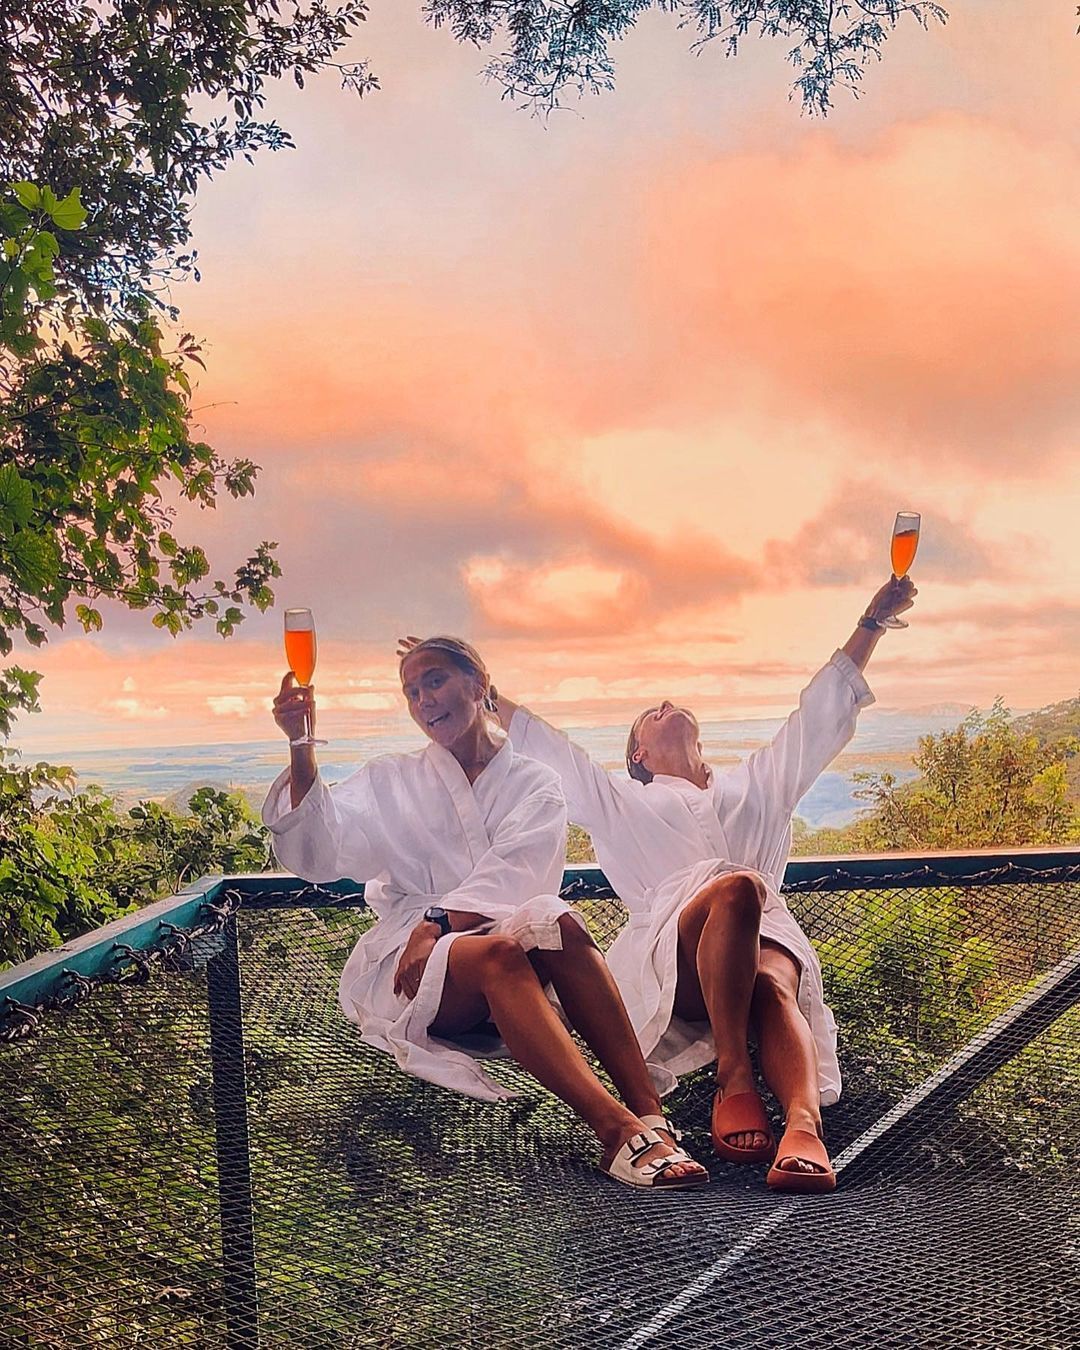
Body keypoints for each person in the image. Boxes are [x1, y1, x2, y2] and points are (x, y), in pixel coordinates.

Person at [401, 578, 916, 1193]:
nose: (664, 703)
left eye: (669, 705)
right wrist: (478, 688)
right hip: (677, 958)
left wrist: (872, 622)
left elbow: (820, 718)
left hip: (764, 939)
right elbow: (554, 750)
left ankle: (802, 1129)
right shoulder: (621, 800)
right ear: (639, 755)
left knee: (773, 979)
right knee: (738, 889)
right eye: (650, 714)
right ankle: (735, 1076)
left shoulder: (759, 785)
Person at [263, 635, 708, 1189]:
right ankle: (614, 1130)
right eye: (411, 691)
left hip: (481, 947)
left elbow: (521, 868)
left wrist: (440, 922)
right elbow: (321, 851)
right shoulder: (390, 780)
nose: (423, 699)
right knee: (498, 953)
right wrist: (301, 746)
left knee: (555, 917)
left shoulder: (534, 782)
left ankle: (650, 1114)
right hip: (416, 968)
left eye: (435, 681)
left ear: (478, 685)